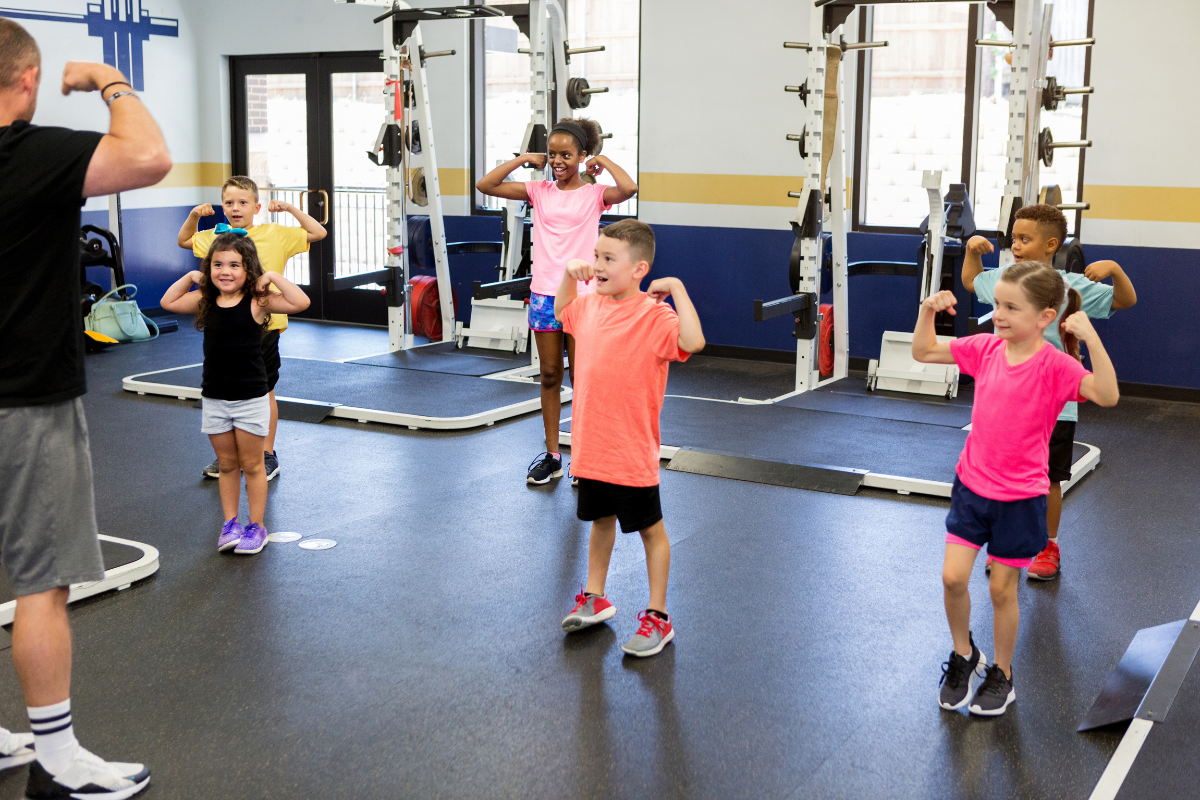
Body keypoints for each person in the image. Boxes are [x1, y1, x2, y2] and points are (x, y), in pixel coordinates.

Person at [0, 18, 170, 798]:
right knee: (42, 582)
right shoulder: (34, 153)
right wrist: (108, 79)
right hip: (24, 401)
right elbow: (149, 155)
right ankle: (58, 762)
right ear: (27, 80)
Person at [913, 262, 1119, 717]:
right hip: (971, 486)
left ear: (1046, 316)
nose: (998, 315)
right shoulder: (986, 349)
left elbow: (1106, 394)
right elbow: (924, 351)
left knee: (1002, 592)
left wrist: (1091, 338)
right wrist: (928, 311)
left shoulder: (1055, 365)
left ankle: (1002, 675)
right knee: (952, 578)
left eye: (1010, 307)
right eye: (996, 305)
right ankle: (964, 653)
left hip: (1021, 498)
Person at [554, 220, 705, 658]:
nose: (597, 266)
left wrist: (675, 286)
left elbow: (693, 341)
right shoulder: (590, 307)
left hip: (631, 449)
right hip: (592, 446)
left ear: (639, 269)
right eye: (596, 256)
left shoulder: (654, 315)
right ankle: (595, 596)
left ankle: (658, 616)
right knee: (600, 522)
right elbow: (563, 308)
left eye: (608, 259)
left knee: (651, 533)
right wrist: (569, 272)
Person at [962, 203, 1136, 580]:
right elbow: (971, 282)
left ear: (1051, 244)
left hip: (1054, 405)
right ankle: (1006, 545)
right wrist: (971, 252)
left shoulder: (1071, 287)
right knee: (1000, 473)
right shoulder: (1006, 278)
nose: (1017, 245)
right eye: (1014, 239)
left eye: (1025, 239)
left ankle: (1046, 545)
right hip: (1005, 402)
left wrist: (1116, 270)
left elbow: (1125, 300)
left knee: (1048, 479)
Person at [475, 117, 638, 485]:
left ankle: (584, 457)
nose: (558, 160)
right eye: (552, 154)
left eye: (566, 154)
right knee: (550, 375)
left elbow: (629, 187)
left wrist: (603, 162)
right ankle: (552, 456)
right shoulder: (539, 191)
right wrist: (523, 159)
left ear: (581, 155)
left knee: (584, 379)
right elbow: (485, 184)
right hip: (544, 294)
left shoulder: (595, 195)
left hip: (584, 298)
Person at [160, 233, 311, 555]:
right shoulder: (205, 301)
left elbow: (300, 302)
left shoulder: (258, 302)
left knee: (253, 465)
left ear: (248, 269)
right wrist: (190, 276)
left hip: (251, 400)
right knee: (227, 465)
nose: (224, 271)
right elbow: (168, 303)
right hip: (215, 398)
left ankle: (256, 526)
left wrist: (271, 277)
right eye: (217, 265)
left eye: (233, 265)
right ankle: (231, 524)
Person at [177, 176, 326, 483]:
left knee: (264, 390)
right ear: (222, 206)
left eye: (243, 203)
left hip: (264, 328)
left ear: (256, 207)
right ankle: (229, 457)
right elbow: (184, 241)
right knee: (225, 391)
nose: (235, 208)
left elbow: (317, 231)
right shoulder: (214, 239)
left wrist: (288, 208)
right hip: (224, 327)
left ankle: (265, 454)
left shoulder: (273, 233)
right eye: (229, 203)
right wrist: (194, 215)